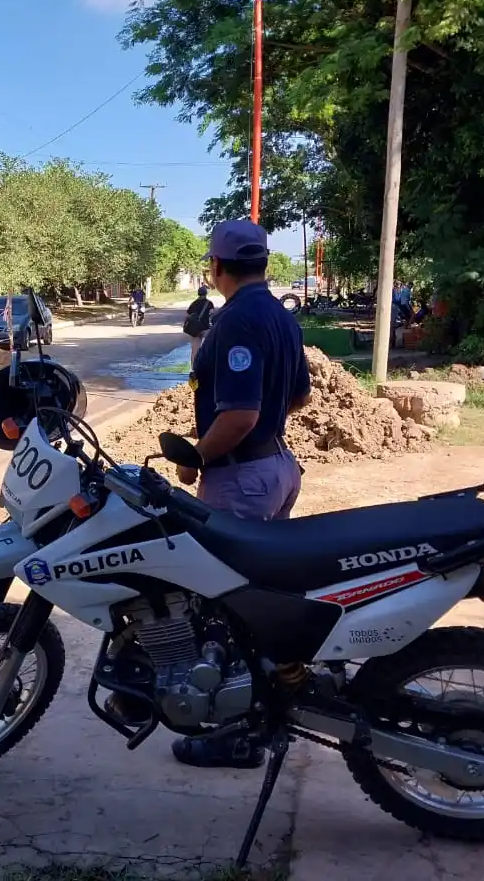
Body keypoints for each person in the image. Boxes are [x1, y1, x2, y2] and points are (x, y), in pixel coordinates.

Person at [174, 219, 311, 769]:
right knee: (253, 598)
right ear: (265, 265)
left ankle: (239, 733)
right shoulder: (280, 315)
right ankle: (269, 701)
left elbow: (240, 414)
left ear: (216, 267)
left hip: (242, 477)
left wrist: (197, 456)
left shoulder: (236, 322)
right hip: (277, 467)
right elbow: (297, 396)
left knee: (224, 607)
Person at [182, 284, 213, 363]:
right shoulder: (209, 303)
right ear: (206, 293)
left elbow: (189, 313)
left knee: (195, 350)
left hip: (195, 329)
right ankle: (206, 367)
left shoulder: (194, 303)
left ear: (198, 293)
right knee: (208, 348)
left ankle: (193, 369)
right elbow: (211, 314)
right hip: (205, 328)